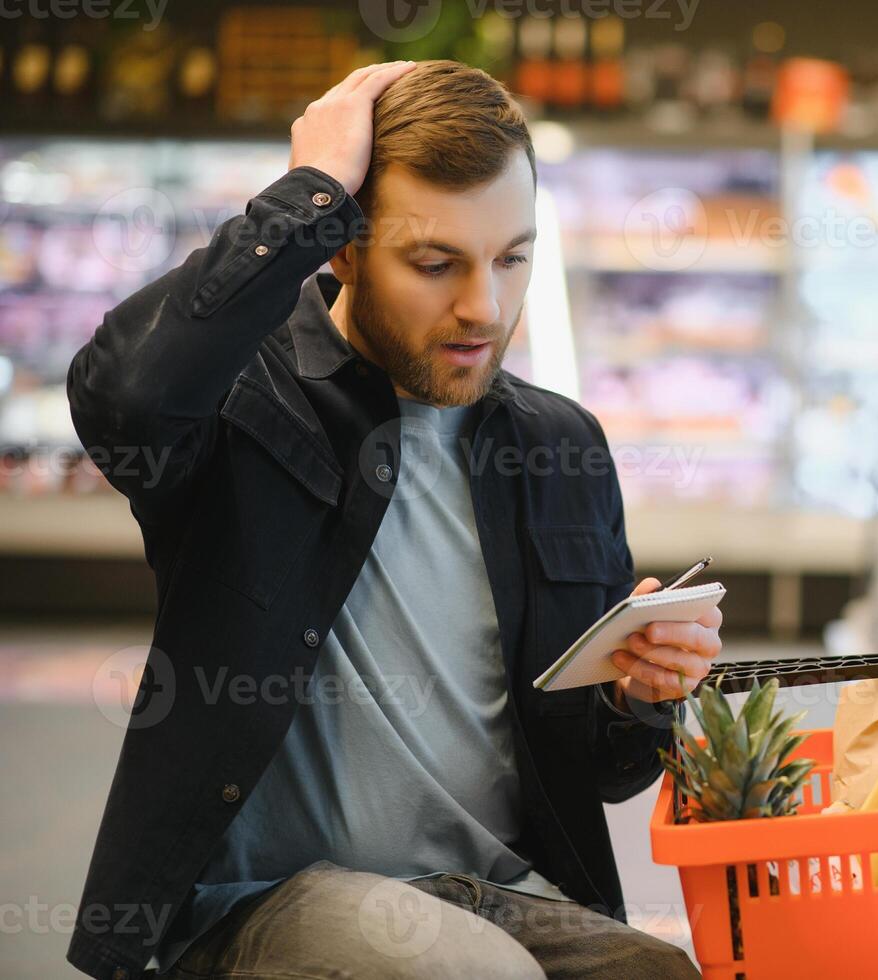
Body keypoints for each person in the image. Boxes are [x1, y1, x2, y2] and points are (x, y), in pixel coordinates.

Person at [64, 60, 719, 980]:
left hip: (500, 891)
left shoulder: (559, 447)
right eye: (433, 262)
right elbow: (125, 395)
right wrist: (309, 191)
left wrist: (636, 698)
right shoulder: (245, 406)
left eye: (512, 258)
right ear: (342, 247)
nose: (482, 308)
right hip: (265, 906)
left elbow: (599, 772)